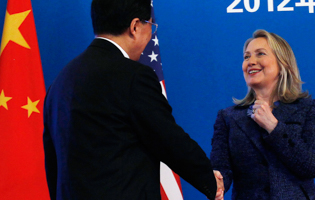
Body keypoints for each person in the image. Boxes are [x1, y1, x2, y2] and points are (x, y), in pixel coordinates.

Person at [43, 0, 224, 199]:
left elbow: (54, 164)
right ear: (135, 26)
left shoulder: (59, 82)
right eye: (151, 26)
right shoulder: (133, 76)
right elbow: (168, 139)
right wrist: (210, 181)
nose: (151, 34)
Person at [210, 29, 315, 200]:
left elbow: (312, 166)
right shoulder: (228, 117)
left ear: (283, 64)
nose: (251, 62)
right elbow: (221, 168)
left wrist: (274, 127)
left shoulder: (308, 109)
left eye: (260, 54)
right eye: (246, 57)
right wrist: (218, 183)